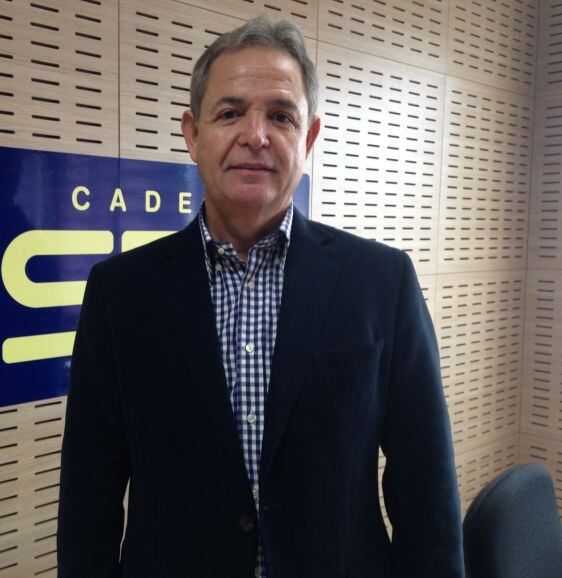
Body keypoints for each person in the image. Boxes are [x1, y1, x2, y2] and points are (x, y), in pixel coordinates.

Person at [57, 15, 464, 578]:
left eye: (281, 116)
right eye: (230, 113)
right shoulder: (120, 293)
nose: (256, 135)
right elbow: (89, 497)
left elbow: (425, 485)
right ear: (193, 135)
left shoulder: (382, 281)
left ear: (308, 139)